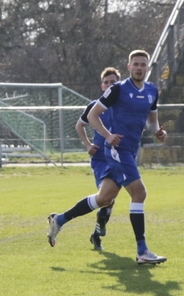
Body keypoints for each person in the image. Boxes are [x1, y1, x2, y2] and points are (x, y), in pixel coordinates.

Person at [47, 50, 168, 265]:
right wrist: (107, 136)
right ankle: (142, 251)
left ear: (148, 68)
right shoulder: (118, 90)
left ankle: (60, 219)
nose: (139, 68)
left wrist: (158, 132)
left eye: (143, 64)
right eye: (136, 64)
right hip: (117, 150)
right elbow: (92, 116)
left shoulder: (152, 91)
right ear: (129, 67)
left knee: (104, 199)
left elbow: (151, 123)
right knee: (139, 193)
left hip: (130, 150)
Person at [74, 67, 121, 251]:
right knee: (106, 196)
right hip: (101, 158)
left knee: (110, 198)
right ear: (102, 86)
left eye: (114, 82)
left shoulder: (123, 107)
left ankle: (96, 233)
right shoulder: (96, 106)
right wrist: (87, 145)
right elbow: (79, 125)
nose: (110, 85)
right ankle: (99, 227)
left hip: (119, 158)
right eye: (107, 82)